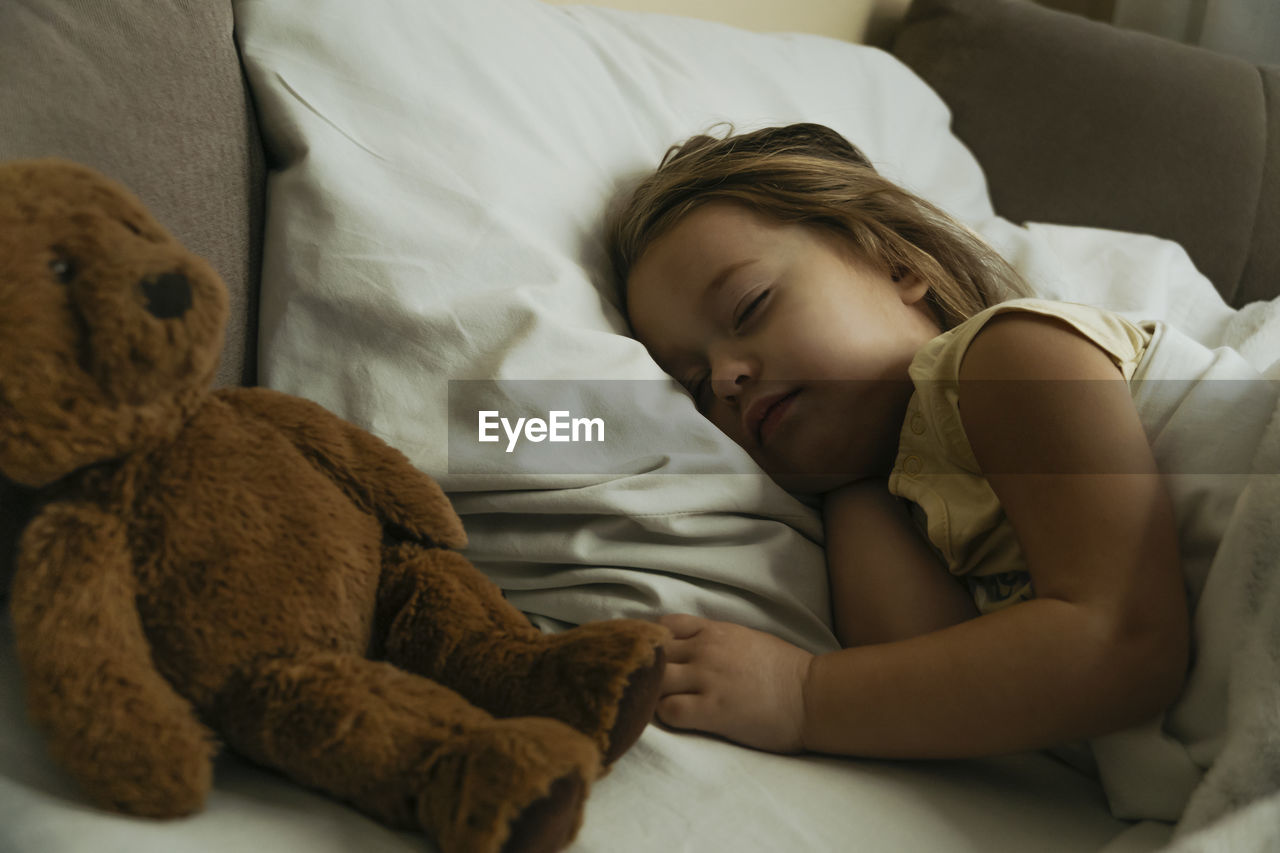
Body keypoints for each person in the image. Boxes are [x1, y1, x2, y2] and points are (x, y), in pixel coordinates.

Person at [605, 123, 1189, 759]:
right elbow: (939, 688)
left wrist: (802, 695)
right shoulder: (888, 499)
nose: (725, 379)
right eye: (694, 385)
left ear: (898, 263)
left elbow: (1124, 641)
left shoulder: (1010, 353)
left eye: (749, 307)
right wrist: (850, 488)